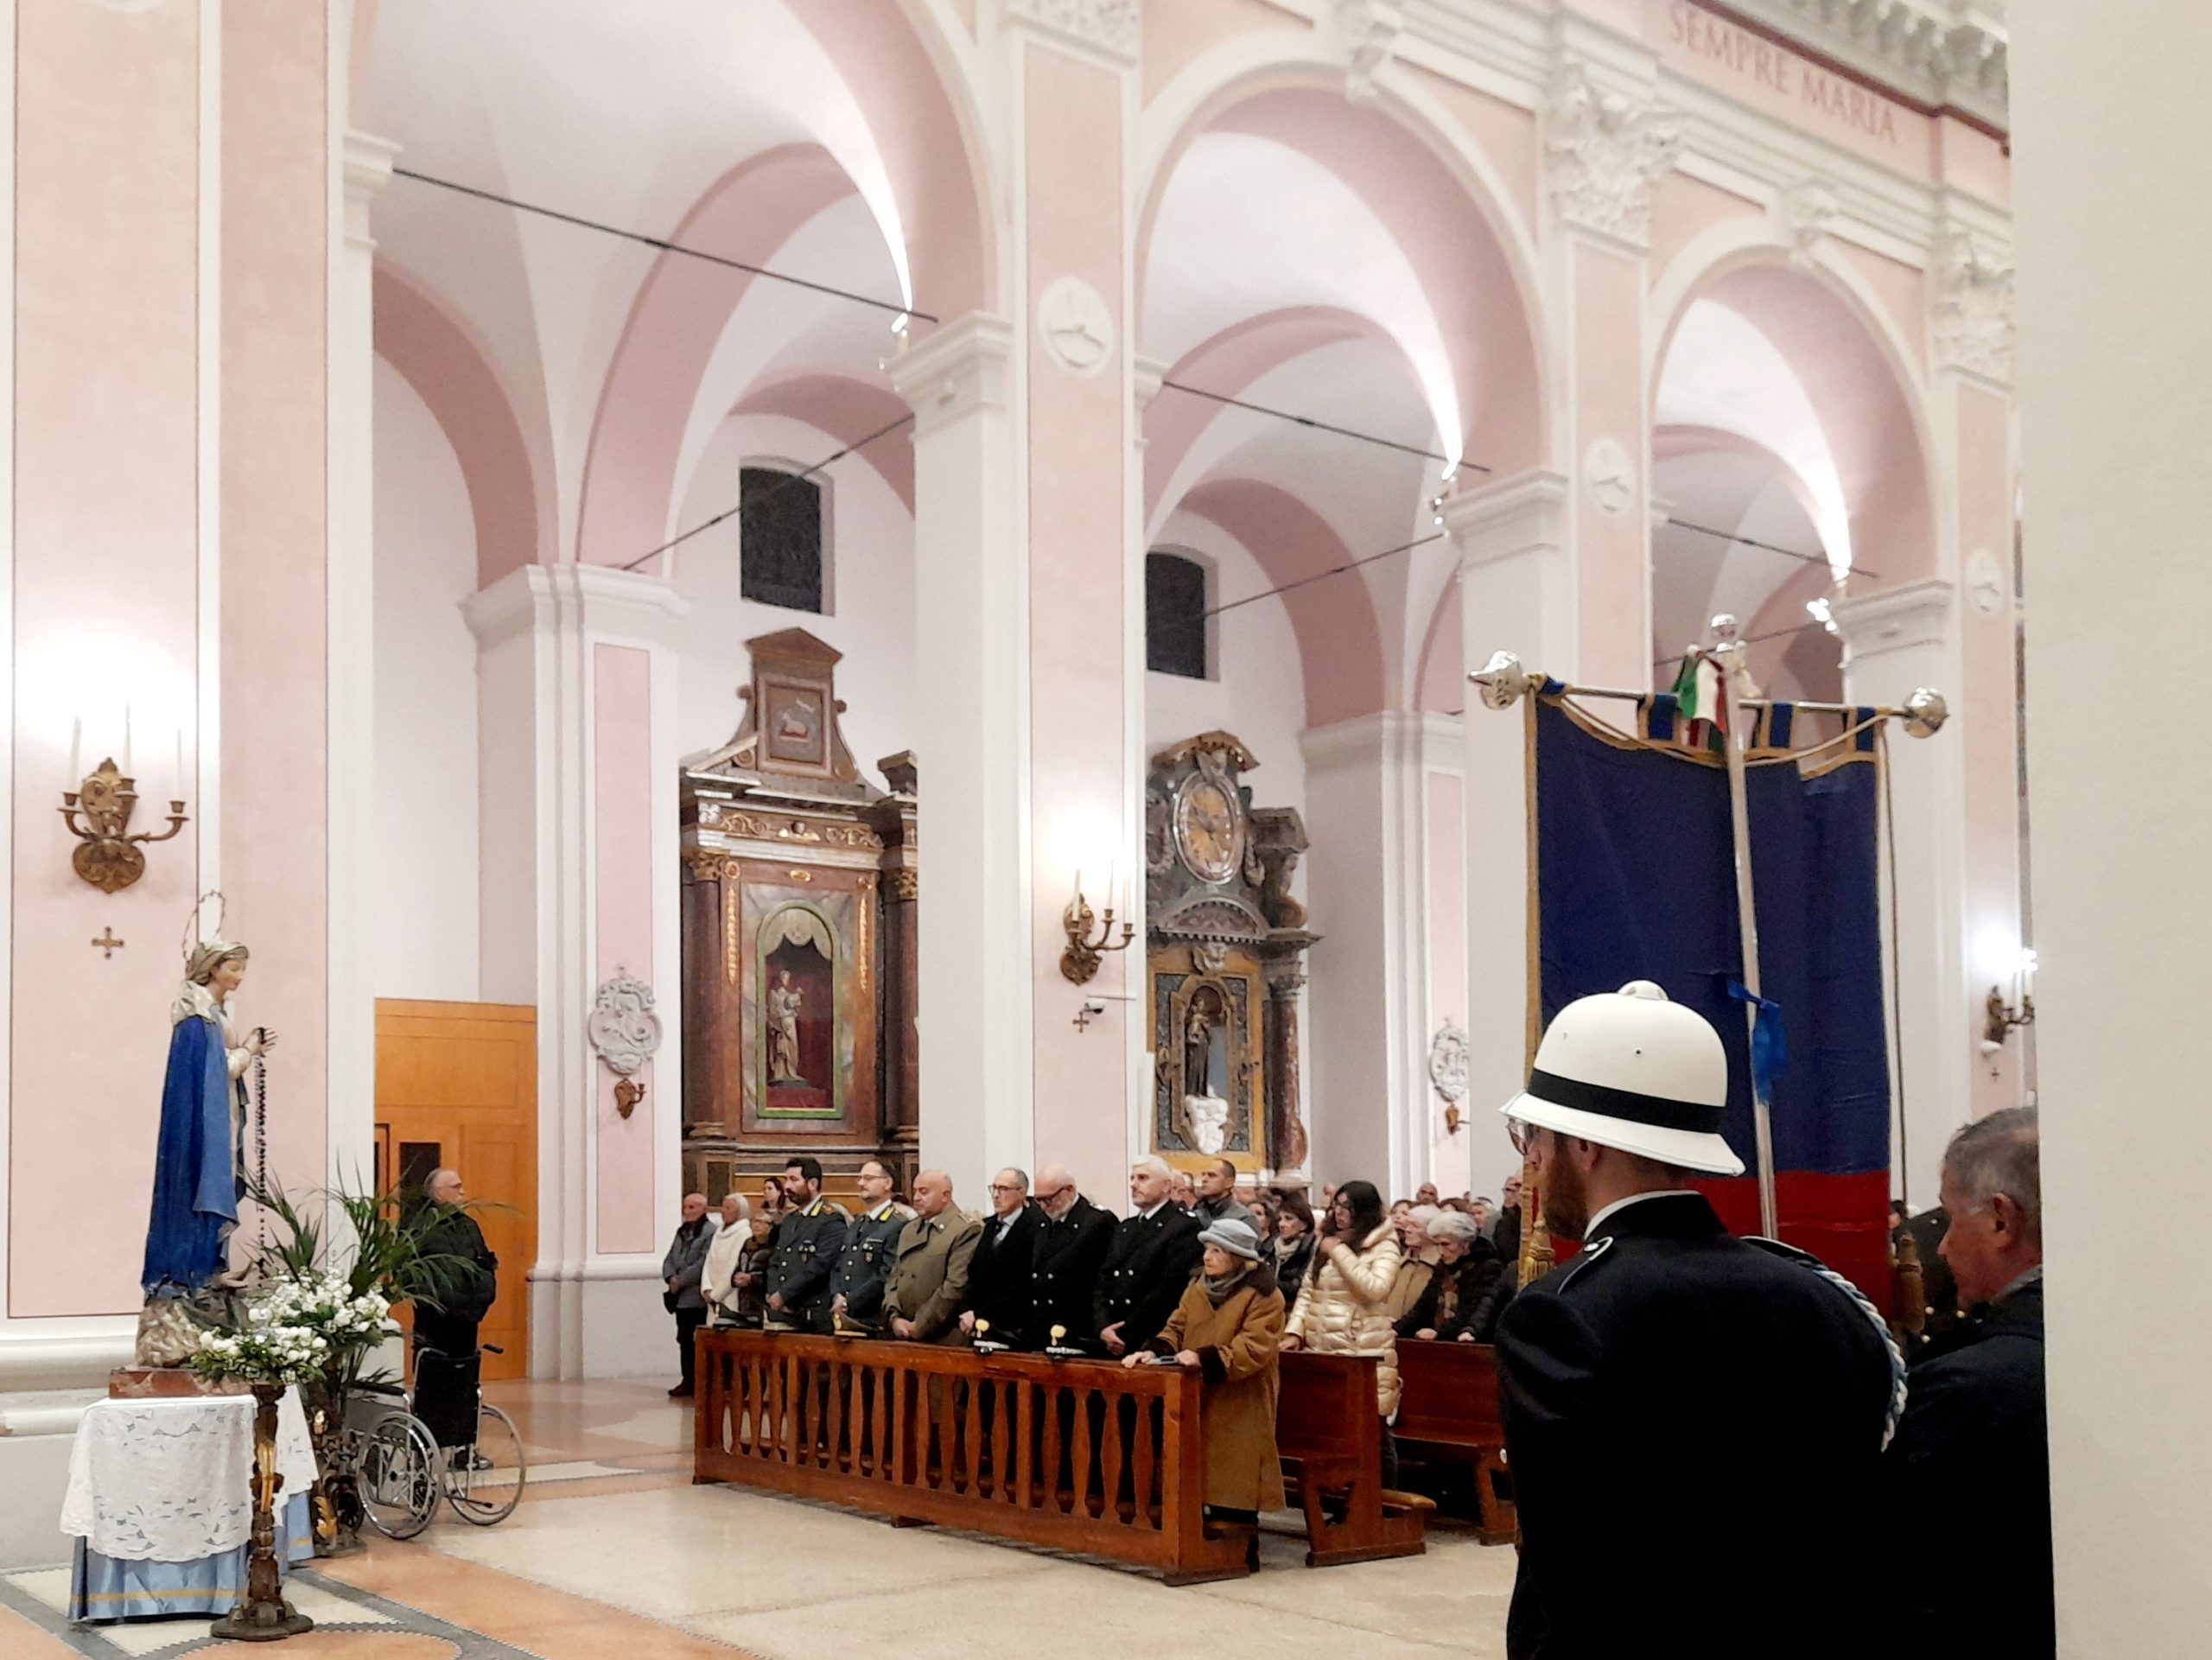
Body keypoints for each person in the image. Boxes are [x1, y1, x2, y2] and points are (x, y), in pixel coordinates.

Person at [1495, 982, 1897, 1660]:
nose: (1530, 1159)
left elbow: (1578, 1582)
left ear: (1585, 1144)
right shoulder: (1820, 1295)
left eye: (1535, 1136)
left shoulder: (1560, 1314)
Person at [1887, 1109, 2050, 1654]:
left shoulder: (1964, 1388)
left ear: (2002, 1221)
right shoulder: (2150, 1349)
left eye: (1953, 1218)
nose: (1940, 1247)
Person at [140, 932, 276, 1363]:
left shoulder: (211, 1013)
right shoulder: (198, 1017)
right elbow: (218, 1071)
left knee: (213, 1192)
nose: (239, 977)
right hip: (203, 1130)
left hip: (219, 1122)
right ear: (213, 968)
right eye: (233, 968)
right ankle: (190, 1280)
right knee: (199, 1195)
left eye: (242, 969)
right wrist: (249, 1049)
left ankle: (208, 1277)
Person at [1123, 1216, 1284, 1565]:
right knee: (1199, 1467)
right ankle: (1201, 1547)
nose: (1207, 1257)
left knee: (1236, 1473)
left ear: (1237, 1257)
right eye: (1207, 1249)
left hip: (1240, 1395)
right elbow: (1177, 1326)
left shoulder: (1264, 1294)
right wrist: (1155, 1350)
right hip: (1197, 1391)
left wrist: (1205, 1358)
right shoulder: (1198, 1286)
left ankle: (1241, 1552)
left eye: (1216, 1251)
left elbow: (1255, 1346)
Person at [1282, 1180, 1406, 1485]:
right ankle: (1342, 1496)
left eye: (1347, 1207)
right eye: (1337, 1205)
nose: (1339, 1213)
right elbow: (1308, 1291)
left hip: (1363, 1348)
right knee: (1333, 1429)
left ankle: (1383, 1496)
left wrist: (1339, 1252)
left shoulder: (1384, 1245)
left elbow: (1375, 1289)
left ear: (1364, 1210)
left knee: (1373, 1430)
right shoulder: (1328, 1241)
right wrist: (1295, 1331)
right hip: (1323, 1345)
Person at [1095, 1157, 1205, 1357]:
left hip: (1150, 1340)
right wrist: (1103, 1327)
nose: (1133, 1184)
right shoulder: (1127, 1227)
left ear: (1166, 1186)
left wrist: (1125, 1332)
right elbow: (1104, 1280)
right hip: (1111, 1337)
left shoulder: (1183, 1227)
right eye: (1132, 1178)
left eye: (1143, 1178)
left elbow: (1167, 1292)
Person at [412, 1167, 499, 1360]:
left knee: (466, 1370)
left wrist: (483, 1298)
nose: (462, 1192)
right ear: (438, 1192)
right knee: (436, 1372)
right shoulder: (421, 1227)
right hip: (435, 1323)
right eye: (456, 1187)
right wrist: (449, 1304)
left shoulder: (468, 1225)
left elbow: (485, 1263)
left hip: (470, 1319)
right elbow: (418, 1276)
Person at [885, 1169, 980, 1343]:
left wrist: (920, 1325)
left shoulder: (964, 1230)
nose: (916, 1198)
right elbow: (894, 1278)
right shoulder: (909, 1230)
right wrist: (894, 1317)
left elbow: (955, 1286)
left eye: (924, 1192)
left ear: (945, 1195)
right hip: (902, 1334)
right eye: (915, 1191)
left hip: (943, 1336)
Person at [1029, 1162, 1115, 1349]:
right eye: (1038, 1200)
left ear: (1069, 1190)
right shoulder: (1042, 1222)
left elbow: (1103, 1280)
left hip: (1077, 1330)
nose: (1043, 1206)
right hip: (1042, 1328)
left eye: (1048, 1199)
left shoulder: (1097, 1222)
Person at [765, 1156, 846, 1332]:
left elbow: (819, 1266)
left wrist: (783, 1294)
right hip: (785, 1310)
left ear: (812, 1184)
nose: (787, 1186)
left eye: (794, 1180)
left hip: (813, 1314)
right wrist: (773, 1292)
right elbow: (776, 1261)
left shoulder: (830, 1219)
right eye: (786, 1179)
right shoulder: (791, 1220)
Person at [1395, 1211, 1501, 1342]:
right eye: (1437, 1245)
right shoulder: (1442, 1267)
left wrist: (1440, 1332)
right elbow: (1423, 1305)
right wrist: (1396, 1329)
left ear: (1465, 1243)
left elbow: (1473, 1310)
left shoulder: (1486, 1267)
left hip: (1469, 1340)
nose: (1440, 1251)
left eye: (1446, 1244)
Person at [962, 1167, 1039, 1345]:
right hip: (979, 1325)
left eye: (1004, 1189)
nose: (996, 1195)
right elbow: (974, 1272)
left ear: (1022, 1193)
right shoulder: (989, 1226)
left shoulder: (1034, 1228)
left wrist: (980, 1314)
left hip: (1012, 1326)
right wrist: (968, 1311)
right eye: (994, 1188)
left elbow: (1022, 1284)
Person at [831, 1160, 905, 1335]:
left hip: (873, 1319)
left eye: (868, 1178)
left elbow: (886, 1275)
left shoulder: (896, 1224)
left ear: (887, 1183)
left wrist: (850, 1302)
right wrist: (837, 1295)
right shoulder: (858, 1223)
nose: (861, 1183)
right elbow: (839, 1265)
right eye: (860, 1178)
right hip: (845, 1315)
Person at [661, 1192, 717, 1397]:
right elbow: (670, 1257)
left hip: (696, 1296)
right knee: (683, 1340)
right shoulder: (682, 1231)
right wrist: (670, 1277)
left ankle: (702, 1381)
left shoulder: (710, 1232)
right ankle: (688, 1380)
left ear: (704, 1209)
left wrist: (681, 1280)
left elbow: (703, 1262)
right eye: (685, 1207)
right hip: (680, 1297)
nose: (687, 1211)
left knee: (696, 1341)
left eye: (692, 1207)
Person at [1382, 1205, 1442, 1326]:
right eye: (1407, 1225)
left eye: (1415, 1226)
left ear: (1433, 1232)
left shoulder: (1440, 1266)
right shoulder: (1398, 1262)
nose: (1408, 1230)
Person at [700, 1193, 752, 1329]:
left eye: (728, 1208)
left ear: (740, 1212)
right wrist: (706, 1288)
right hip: (712, 1296)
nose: (723, 1211)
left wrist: (716, 1295)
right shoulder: (719, 1232)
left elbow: (733, 1266)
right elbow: (709, 1260)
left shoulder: (744, 1233)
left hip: (730, 1296)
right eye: (723, 1207)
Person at [1273, 1192, 1317, 1309]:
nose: (1281, 1224)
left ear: (1303, 1224)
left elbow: (1302, 1286)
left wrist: (1270, 1284)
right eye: (1279, 1219)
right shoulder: (1269, 1248)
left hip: (1298, 1308)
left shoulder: (1311, 1249)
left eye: (1288, 1219)